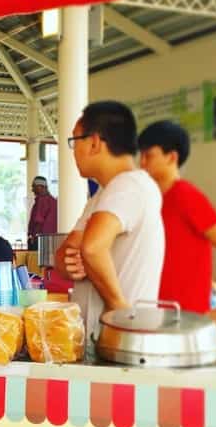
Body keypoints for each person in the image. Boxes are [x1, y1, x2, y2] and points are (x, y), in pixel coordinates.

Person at [55, 101, 164, 343]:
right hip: (104, 338)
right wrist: (67, 261)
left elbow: (92, 247)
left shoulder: (129, 186)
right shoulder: (102, 196)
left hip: (124, 335)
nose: (73, 151)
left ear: (94, 142)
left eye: (75, 141)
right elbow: (68, 251)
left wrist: (118, 307)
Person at [138, 120, 216, 320]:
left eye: (148, 155)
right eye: (141, 155)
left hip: (186, 317)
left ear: (172, 157)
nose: (142, 162)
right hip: (154, 310)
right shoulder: (151, 199)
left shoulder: (186, 195)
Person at [27, 176, 58, 251]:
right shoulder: (54, 201)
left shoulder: (41, 201)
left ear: (40, 187)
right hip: (52, 241)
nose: (32, 190)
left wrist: (32, 237)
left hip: (40, 241)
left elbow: (37, 222)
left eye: (34, 186)